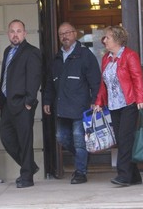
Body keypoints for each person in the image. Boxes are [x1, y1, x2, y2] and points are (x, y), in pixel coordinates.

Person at [43, 22, 101, 184]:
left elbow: (95, 82)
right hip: (61, 106)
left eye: (67, 32)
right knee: (61, 137)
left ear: (75, 34)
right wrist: (47, 100)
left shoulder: (85, 55)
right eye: (61, 34)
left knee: (78, 139)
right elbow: (49, 82)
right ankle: (84, 156)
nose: (64, 36)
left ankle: (80, 172)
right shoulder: (56, 59)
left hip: (80, 107)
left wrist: (95, 101)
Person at [94, 25, 143, 186]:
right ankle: (135, 176)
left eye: (107, 37)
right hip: (113, 105)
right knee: (123, 140)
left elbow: (137, 78)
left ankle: (123, 175)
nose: (104, 40)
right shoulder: (106, 58)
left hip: (129, 103)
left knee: (125, 139)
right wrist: (98, 102)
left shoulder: (130, 56)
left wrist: (141, 99)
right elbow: (104, 84)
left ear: (117, 39)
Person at [0, 19, 42, 188]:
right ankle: (29, 167)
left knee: (24, 141)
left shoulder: (32, 52)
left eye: (18, 31)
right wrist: (0, 101)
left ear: (25, 33)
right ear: (8, 34)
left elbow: (34, 78)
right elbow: (4, 77)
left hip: (23, 103)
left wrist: (29, 102)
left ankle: (27, 177)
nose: (15, 34)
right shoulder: (7, 51)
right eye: (12, 31)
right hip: (7, 104)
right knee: (6, 137)